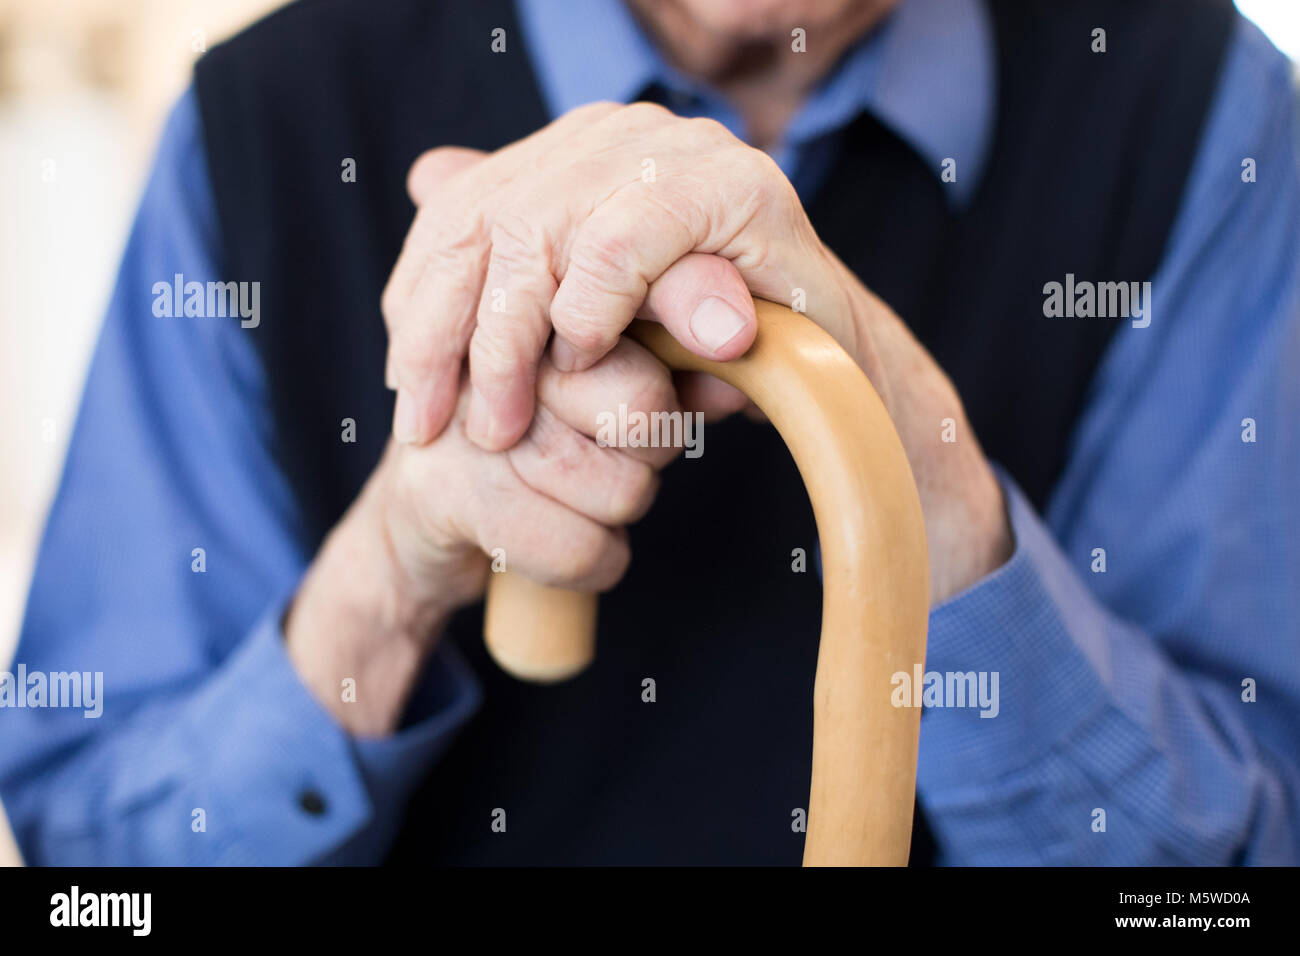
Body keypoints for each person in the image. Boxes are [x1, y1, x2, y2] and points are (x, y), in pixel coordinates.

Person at [1, 0, 1297, 865]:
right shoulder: (265, 118)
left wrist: (923, 466)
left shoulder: (1211, 117)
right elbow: (90, 857)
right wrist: (390, 578)